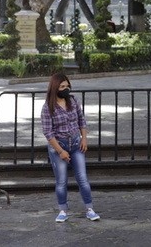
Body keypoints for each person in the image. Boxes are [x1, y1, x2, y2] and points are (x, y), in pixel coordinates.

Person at [40, 72, 100, 223]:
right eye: (62, 86)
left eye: (67, 86)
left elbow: (82, 120)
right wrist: (60, 151)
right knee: (61, 181)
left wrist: (84, 139)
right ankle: (63, 210)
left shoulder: (73, 101)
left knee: (83, 178)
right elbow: (48, 132)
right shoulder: (48, 107)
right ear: (55, 88)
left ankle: (89, 208)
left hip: (75, 144)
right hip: (58, 146)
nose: (66, 89)